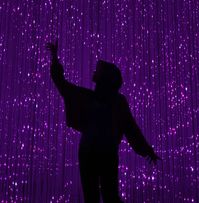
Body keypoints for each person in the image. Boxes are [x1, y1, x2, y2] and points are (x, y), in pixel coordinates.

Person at [46, 40, 161, 203]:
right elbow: (62, 83)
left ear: (105, 78)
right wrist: (55, 58)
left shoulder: (114, 101)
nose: (94, 72)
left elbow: (131, 128)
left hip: (100, 153)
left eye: (97, 71)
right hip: (92, 152)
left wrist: (146, 150)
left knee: (108, 196)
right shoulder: (97, 99)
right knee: (97, 196)